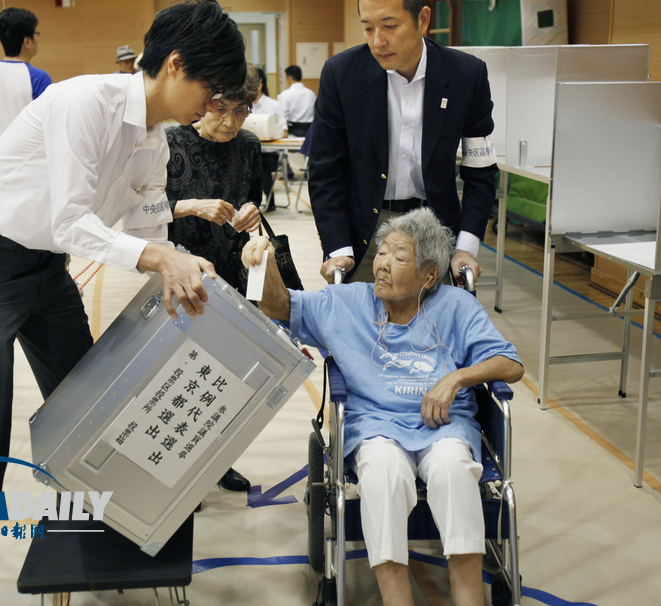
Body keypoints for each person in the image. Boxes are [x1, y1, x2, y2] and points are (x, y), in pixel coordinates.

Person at [0, 2, 246, 604]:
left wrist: (182, 269)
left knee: (93, 410)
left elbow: (147, 227)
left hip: (44, 270)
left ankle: (101, 541)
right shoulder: (84, 103)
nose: (213, 106)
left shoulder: (154, 139)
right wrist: (160, 260)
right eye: (211, 89)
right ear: (176, 65)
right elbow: (71, 222)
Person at [242, 207, 523, 606]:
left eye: (399, 257)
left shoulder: (457, 306)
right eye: (382, 252)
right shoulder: (348, 302)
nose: (383, 265)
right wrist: (265, 261)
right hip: (375, 428)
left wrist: (457, 378)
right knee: (382, 475)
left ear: (430, 276)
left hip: (444, 427)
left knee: (454, 473)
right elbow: (279, 306)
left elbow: (510, 363)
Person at [310, 0, 498, 286]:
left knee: (436, 313)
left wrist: (466, 248)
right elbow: (325, 171)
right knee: (359, 312)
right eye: (368, 28)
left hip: (436, 229)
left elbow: (480, 168)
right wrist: (338, 249)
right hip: (365, 231)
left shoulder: (466, 74)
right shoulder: (341, 74)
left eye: (389, 26)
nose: (378, 41)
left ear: (422, 20)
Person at [165, 65, 262, 492]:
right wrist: (191, 205)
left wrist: (252, 212)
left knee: (224, 371)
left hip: (230, 274)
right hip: (180, 272)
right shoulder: (170, 142)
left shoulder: (249, 146)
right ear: (205, 102)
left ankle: (219, 462)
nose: (230, 122)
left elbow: (254, 199)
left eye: (241, 111)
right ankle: (181, 471)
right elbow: (143, 211)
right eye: (222, 109)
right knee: (176, 373)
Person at [0, 7, 52, 147]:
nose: (38, 39)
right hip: (32, 157)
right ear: (27, 42)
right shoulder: (39, 78)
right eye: (36, 34)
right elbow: (49, 123)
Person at [252, 67, 288, 211]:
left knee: (261, 166)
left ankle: (269, 200)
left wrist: (270, 134)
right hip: (249, 150)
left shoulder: (273, 105)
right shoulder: (242, 105)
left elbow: (284, 131)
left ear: (260, 85)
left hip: (269, 152)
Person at [278, 65, 316, 136]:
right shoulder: (311, 94)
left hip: (291, 133)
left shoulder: (285, 94)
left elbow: (283, 116)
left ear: (289, 77)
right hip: (310, 133)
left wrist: (284, 130)